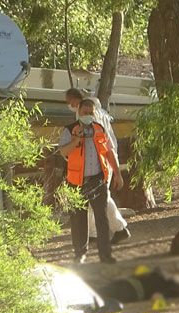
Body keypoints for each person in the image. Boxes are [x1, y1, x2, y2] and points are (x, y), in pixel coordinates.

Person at [58, 99, 124, 264]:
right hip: (76, 182)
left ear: (95, 113)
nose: (87, 116)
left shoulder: (99, 129)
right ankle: (80, 254)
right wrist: (75, 141)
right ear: (78, 111)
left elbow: (109, 152)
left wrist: (117, 174)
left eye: (90, 113)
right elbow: (63, 152)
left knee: (102, 219)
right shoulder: (69, 130)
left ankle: (106, 255)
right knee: (78, 220)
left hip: (98, 179)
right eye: (84, 112)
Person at [65, 88, 131, 244]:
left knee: (102, 198)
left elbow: (100, 140)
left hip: (102, 159)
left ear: (76, 100)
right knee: (91, 198)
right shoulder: (93, 109)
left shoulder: (87, 112)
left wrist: (116, 172)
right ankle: (94, 233)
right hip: (100, 158)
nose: (69, 105)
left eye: (70, 101)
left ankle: (119, 229)